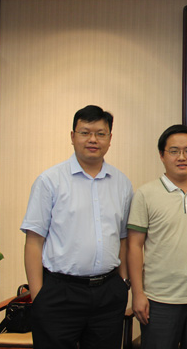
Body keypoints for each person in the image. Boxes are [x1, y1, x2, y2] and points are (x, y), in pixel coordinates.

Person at [21, 105, 133, 349]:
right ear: (72, 136)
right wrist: (39, 296)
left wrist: (123, 282)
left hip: (108, 294)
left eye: (100, 133)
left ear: (110, 138)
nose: (93, 139)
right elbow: (34, 241)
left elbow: (123, 239)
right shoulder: (49, 181)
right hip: (60, 293)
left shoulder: (122, 183)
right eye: (85, 132)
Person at [127, 124, 187, 348]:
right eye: (174, 151)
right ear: (162, 155)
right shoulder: (145, 194)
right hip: (158, 299)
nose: (182, 157)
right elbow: (134, 246)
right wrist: (137, 293)